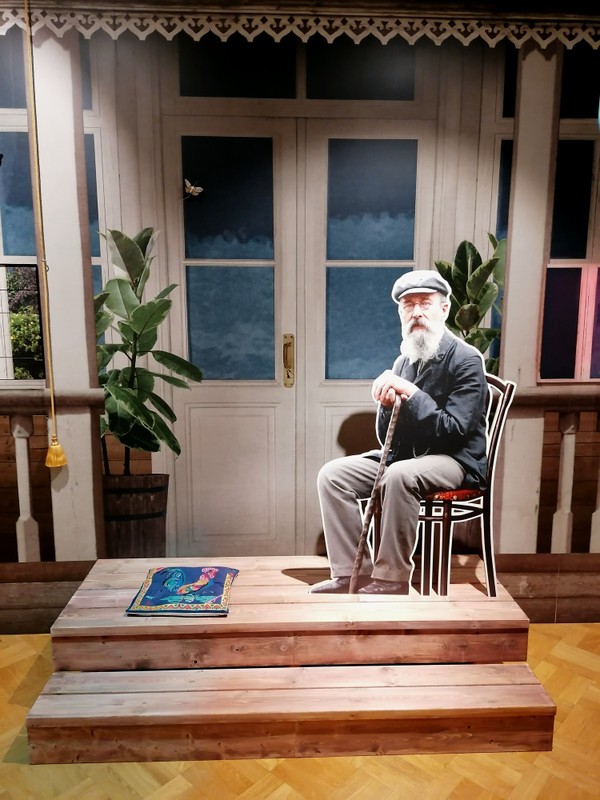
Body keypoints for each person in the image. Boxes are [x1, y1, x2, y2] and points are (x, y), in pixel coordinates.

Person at [311, 269, 489, 595]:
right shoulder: (404, 361)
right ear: (400, 314)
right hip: (408, 456)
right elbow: (387, 439)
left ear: (444, 309)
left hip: (456, 461)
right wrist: (386, 404)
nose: (416, 312)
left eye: (425, 303)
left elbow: (455, 431)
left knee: (398, 475)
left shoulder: (466, 360)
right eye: (408, 305)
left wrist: (412, 394)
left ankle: (391, 579)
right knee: (332, 475)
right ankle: (352, 573)